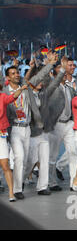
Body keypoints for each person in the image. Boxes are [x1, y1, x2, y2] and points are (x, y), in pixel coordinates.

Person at [2, 53, 57, 200]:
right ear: (7, 78)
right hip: (13, 128)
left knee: (25, 159)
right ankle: (17, 189)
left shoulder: (26, 87)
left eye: (17, 72)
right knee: (19, 157)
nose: (16, 75)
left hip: (27, 128)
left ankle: (19, 186)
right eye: (12, 73)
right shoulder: (5, 93)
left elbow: (39, 77)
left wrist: (50, 64)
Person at [25, 56, 67, 195]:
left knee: (44, 159)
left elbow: (54, 84)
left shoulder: (44, 94)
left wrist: (62, 70)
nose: (40, 82)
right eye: (38, 80)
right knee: (31, 161)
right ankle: (18, 183)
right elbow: (37, 76)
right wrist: (49, 64)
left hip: (44, 131)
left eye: (41, 81)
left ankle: (42, 186)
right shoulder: (27, 93)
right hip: (32, 131)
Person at [47, 57, 77, 191]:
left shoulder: (69, 88)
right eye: (62, 73)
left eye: (65, 73)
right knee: (52, 155)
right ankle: (52, 182)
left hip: (69, 123)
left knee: (73, 151)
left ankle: (74, 182)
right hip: (56, 124)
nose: (65, 75)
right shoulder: (52, 87)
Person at [0, 83, 28, 202]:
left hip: (1, 134)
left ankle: (11, 193)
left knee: (5, 164)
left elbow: (12, 97)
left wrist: (20, 89)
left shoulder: (2, 97)